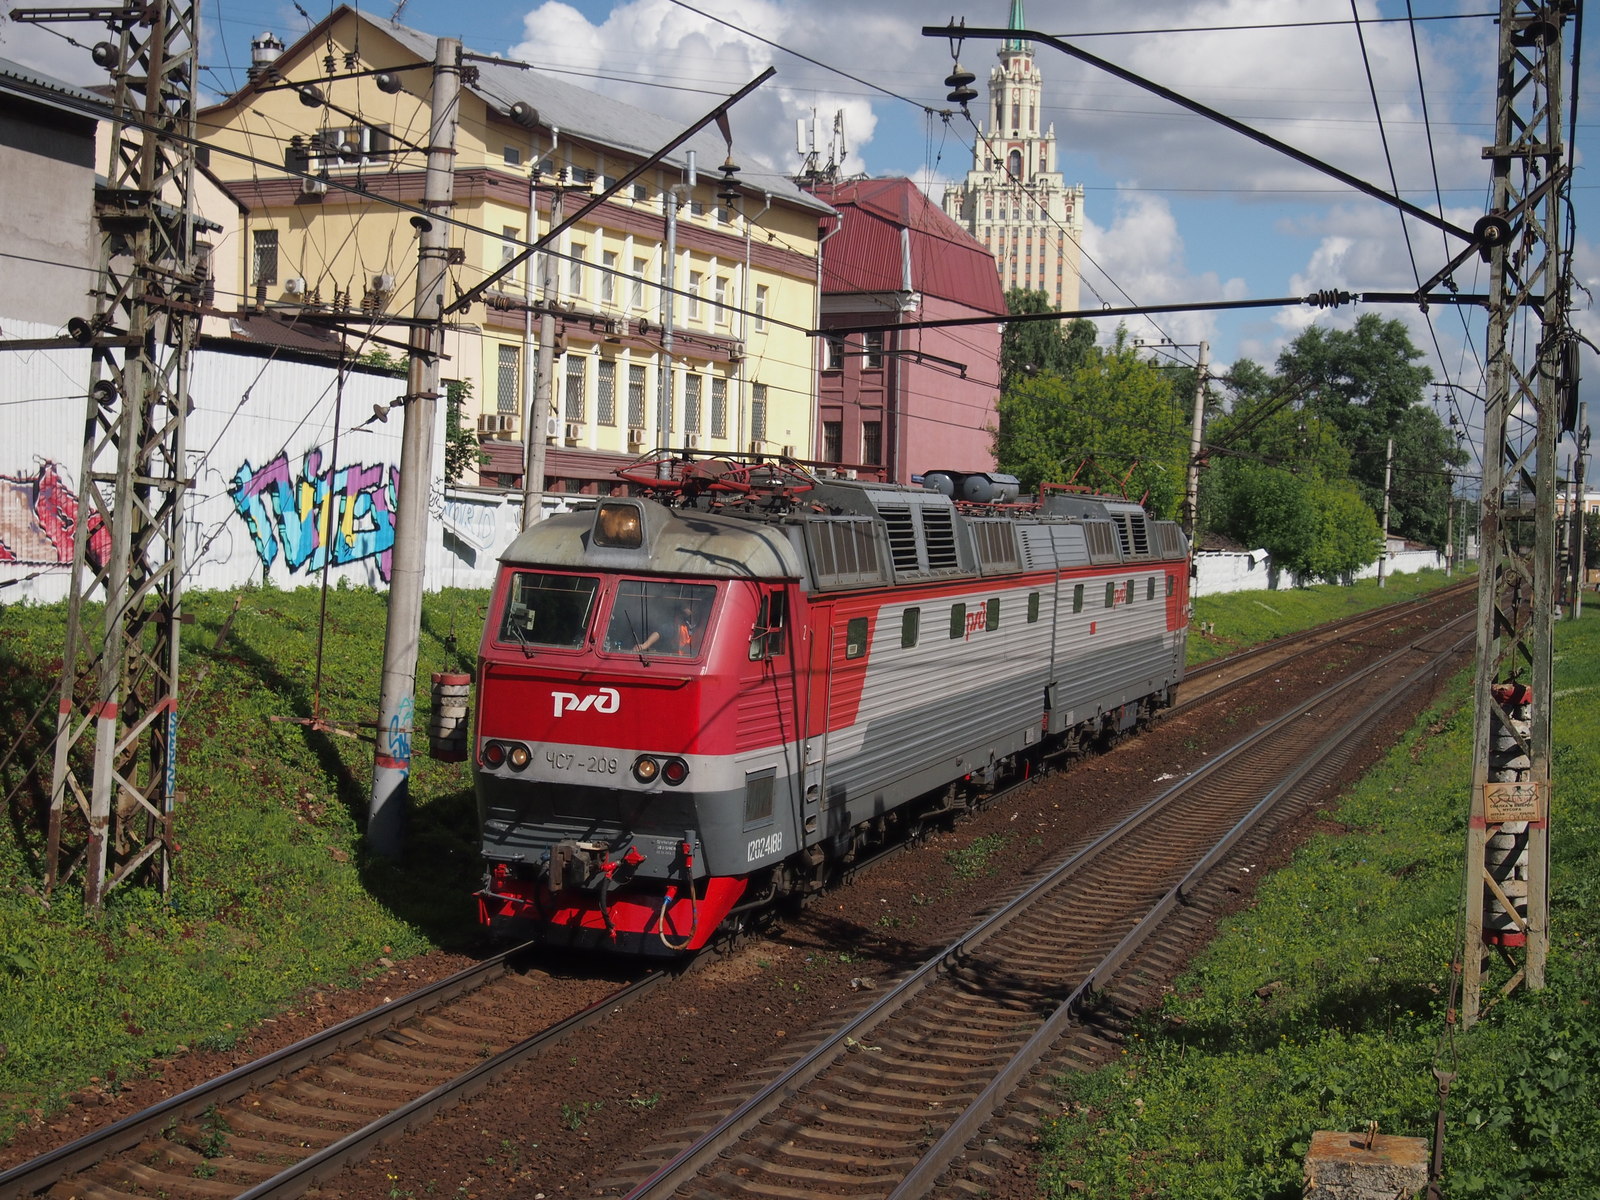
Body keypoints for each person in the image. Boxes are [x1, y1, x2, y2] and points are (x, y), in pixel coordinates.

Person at [633, 600, 698, 654]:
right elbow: (659, 633)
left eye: (689, 604)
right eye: (685, 606)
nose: (687, 608)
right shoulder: (675, 626)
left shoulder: (703, 624)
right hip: (679, 659)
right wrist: (644, 646)